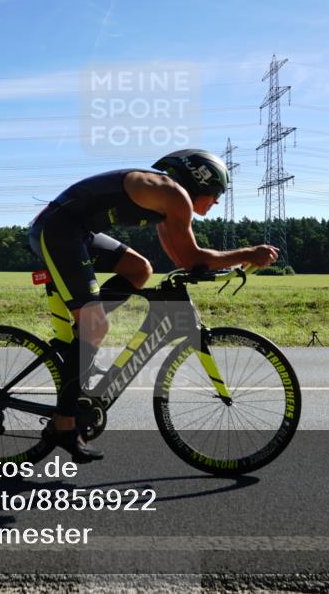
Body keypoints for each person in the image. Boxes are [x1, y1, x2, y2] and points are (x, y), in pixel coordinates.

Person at [28, 149, 279, 462]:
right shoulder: (174, 196)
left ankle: (83, 345)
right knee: (96, 326)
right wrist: (246, 254)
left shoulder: (167, 202)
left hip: (75, 231)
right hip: (58, 231)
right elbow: (191, 258)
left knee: (139, 269)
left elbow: (181, 259)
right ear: (201, 183)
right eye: (216, 195)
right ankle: (63, 426)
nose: (216, 202)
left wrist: (222, 266)